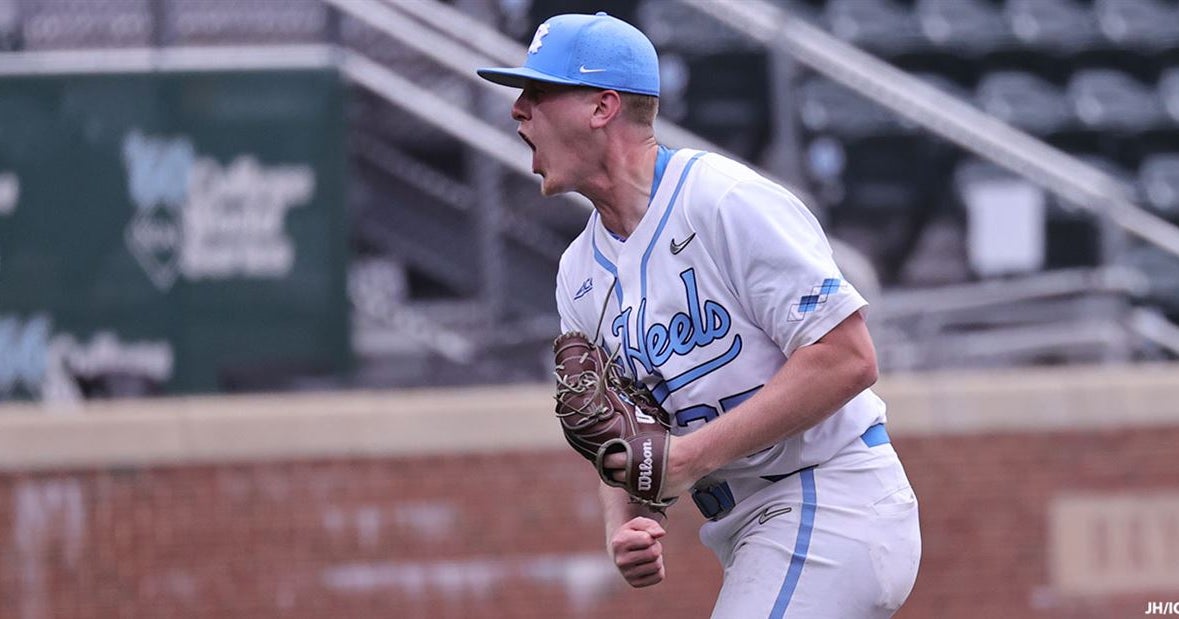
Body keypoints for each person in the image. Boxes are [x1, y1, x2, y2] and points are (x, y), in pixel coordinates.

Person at [478, 12, 921, 618]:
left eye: (539, 92)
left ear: (603, 107)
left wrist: (690, 459)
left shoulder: (722, 201)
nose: (518, 110)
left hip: (832, 499)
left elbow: (848, 357)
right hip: (748, 529)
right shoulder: (578, 273)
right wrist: (628, 517)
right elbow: (616, 425)